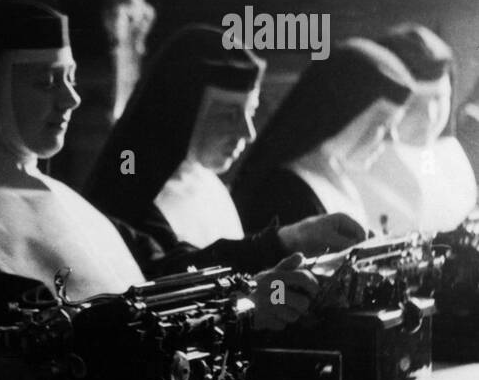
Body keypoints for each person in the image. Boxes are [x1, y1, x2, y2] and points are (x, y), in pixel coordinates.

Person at [0, 0, 317, 332]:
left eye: (71, 78)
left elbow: (162, 272)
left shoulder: (66, 199)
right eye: (46, 82)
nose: (72, 100)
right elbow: (70, 342)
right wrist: (238, 307)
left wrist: (277, 247)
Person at [86, 24, 365, 254]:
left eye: (251, 113)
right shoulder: (131, 201)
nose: (247, 133)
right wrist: (289, 239)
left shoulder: (211, 185)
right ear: (183, 114)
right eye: (229, 116)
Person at [233, 39, 415, 232]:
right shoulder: (285, 192)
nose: (391, 138)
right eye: (382, 123)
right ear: (341, 114)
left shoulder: (334, 171)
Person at [346, 24, 477, 234]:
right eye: (414, 103)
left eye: (439, 98)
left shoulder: (448, 151)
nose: (430, 116)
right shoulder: (361, 160)